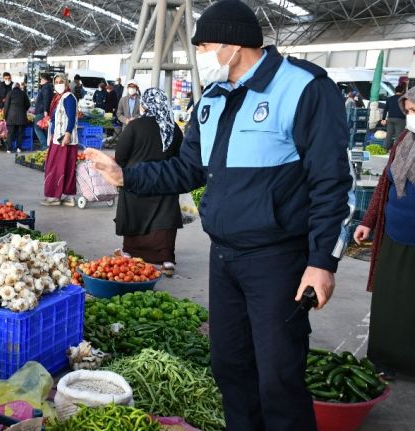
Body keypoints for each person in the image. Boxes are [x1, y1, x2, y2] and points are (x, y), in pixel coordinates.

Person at [84, 1, 353, 429]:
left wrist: (322, 262)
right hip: (225, 256)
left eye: (206, 46)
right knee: (230, 368)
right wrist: (124, 176)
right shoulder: (212, 98)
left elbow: (333, 182)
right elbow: (187, 169)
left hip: (278, 259)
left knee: (278, 380)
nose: (203, 55)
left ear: (232, 43)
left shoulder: (303, 88)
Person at [354, 86, 415, 378]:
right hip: (393, 233)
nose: (410, 115)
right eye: (409, 109)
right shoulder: (404, 138)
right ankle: (384, 360)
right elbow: (384, 185)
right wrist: (368, 221)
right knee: (389, 300)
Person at [115, 88, 183, 275]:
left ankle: (130, 253)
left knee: (135, 215)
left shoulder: (135, 126)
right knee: (164, 217)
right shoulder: (173, 128)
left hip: (136, 181)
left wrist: (122, 171)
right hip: (165, 181)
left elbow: (120, 155)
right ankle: (167, 260)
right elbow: (181, 158)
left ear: (145, 105)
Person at [41, 74, 78, 207]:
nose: (58, 84)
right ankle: (67, 196)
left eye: (61, 82)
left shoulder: (68, 98)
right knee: (63, 166)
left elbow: (72, 118)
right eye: (56, 82)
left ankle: (56, 197)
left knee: (57, 167)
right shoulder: (58, 98)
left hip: (64, 139)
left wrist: (67, 134)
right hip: (57, 138)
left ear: (66, 83)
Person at [3, 83, 31, 154]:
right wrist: (24, 109)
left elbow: (6, 106)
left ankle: (9, 149)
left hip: (11, 117)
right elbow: (28, 104)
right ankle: (19, 148)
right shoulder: (23, 94)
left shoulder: (9, 93)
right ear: (19, 87)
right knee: (20, 133)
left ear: (13, 87)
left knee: (10, 133)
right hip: (21, 117)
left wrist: (5, 117)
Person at [380, 85, 406, 150]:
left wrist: (383, 119)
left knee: (389, 135)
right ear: (403, 91)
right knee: (398, 135)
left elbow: (385, 109)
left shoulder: (389, 99)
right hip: (400, 119)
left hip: (390, 118)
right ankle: (395, 150)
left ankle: (385, 148)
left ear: (395, 91)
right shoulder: (403, 99)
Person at [34, 73, 54, 149]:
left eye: (41, 79)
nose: (40, 80)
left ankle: (44, 145)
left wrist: (45, 110)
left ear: (45, 79)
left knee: (37, 127)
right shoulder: (48, 87)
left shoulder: (45, 88)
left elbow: (46, 99)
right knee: (44, 127)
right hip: (44, 110)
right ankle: (47, 145)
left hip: (42, 111)